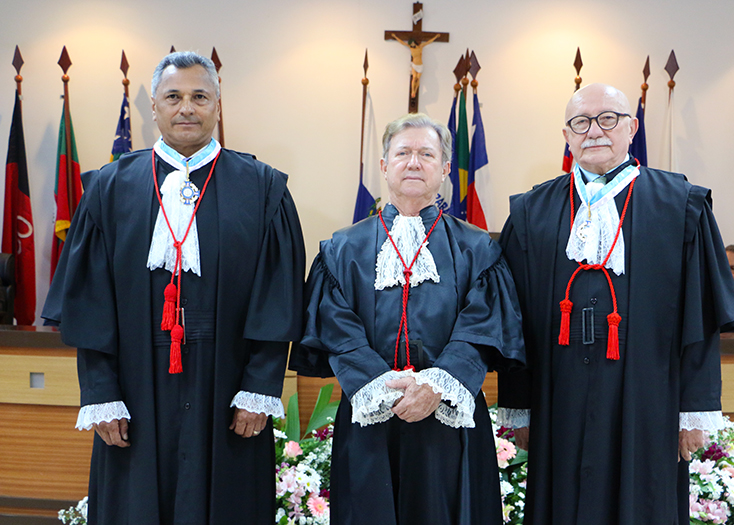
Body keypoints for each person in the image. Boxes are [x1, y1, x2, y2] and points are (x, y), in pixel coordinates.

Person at [42, 51, 305, 524]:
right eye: (174, 96)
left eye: (200, 96)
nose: (187, 107)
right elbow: (91, 303)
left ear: (218, 106)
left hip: (229, 386)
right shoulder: (108, 188)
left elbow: (276, 298)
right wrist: (100, 392)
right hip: (135, 385)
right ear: (154, 109)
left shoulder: (263, 188)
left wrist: (258, 388)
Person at [497, 83, 734, 525]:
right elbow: (515, 321)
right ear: (567, 136)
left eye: (608, 118)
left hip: (650, 399)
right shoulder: (532, 212)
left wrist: (695, 409)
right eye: (581, 122)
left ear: (632, 127)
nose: (595, 131)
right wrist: (520, 405)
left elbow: (701, 318)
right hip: (558, 397)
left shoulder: (681, 205)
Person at [291, 113, 525, 525]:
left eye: (426, 154)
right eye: (403, 153)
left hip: (451, 419)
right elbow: (334, 325)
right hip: (371, 416)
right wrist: (380, 386)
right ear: (384, 165)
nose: (413, 162)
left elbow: (484, 324)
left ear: (445, 168)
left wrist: (436, 385)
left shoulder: (478, 249)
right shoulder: (341, 248)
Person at [391, 33, 441, 99]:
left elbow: (428, 42)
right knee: (414, 77)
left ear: (414, 42)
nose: (411, 45)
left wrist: (436, 37)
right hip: (414, 65)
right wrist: (395, 36)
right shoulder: (410, 48)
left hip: (420, 66)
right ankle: (413, 91)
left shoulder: (420, 46)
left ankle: (416, 90)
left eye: (412, 44)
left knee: (418, 78)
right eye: (410, 44)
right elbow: (402, 42)